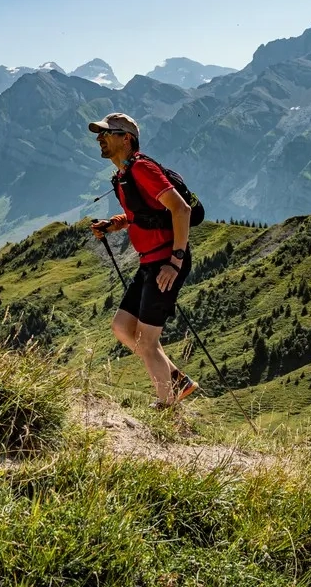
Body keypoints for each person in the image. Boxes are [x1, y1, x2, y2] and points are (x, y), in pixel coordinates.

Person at [89, 112, 198, 409]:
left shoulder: (142, 169)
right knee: (122, 328)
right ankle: (177, 380)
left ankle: (167, 407)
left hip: (166, 262)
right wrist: (115, 224)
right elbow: (142, 214)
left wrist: (175, 261)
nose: (100, 139)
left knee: (147, 341)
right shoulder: (123, 175)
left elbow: (182, 210)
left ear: (126, 138)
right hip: (149, 262)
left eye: (106, 133)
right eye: (99, 134)